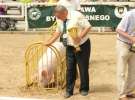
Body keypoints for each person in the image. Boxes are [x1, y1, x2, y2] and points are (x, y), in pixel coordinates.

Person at [45, 5, 91, 98]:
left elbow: (88, 27)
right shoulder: (59, 18)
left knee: (82, 68)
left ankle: (84, 89)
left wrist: (79, 37)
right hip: (69, 46)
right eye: (56, 16)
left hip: (82, 45)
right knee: (70, 69)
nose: (57, 18)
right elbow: (58, 31)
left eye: (58, 16)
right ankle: (69, 91)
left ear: (64, 13)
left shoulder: (77, 15)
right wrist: (49, 42)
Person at [116, 9, 135, 100]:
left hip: (134, 45)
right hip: (123, 44)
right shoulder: (130, 15)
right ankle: (122, 94)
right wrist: (131, 38)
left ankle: (130, 92)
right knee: (121, 70)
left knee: (133, 70)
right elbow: (118, 30)